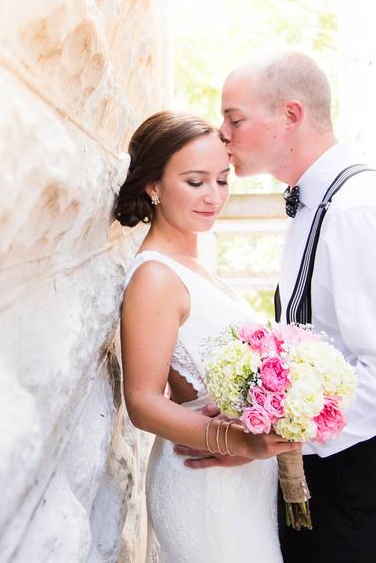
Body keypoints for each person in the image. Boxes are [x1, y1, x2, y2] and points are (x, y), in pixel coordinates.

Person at [177, 51, 376, 563]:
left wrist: (271, 438)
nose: (224, 135)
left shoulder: (362, 212)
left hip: (365, 482)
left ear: (291, 116)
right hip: (328, 473)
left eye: (235, 119)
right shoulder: (317, 201)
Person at [115, 110, 298, 563]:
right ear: (153, 186)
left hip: (241, 480)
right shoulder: (154, 277)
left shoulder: (196, 267)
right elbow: (142, 400)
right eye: (195, 182)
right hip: (203, 479)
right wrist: (239, 442)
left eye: (221, 179)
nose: (214, 197)